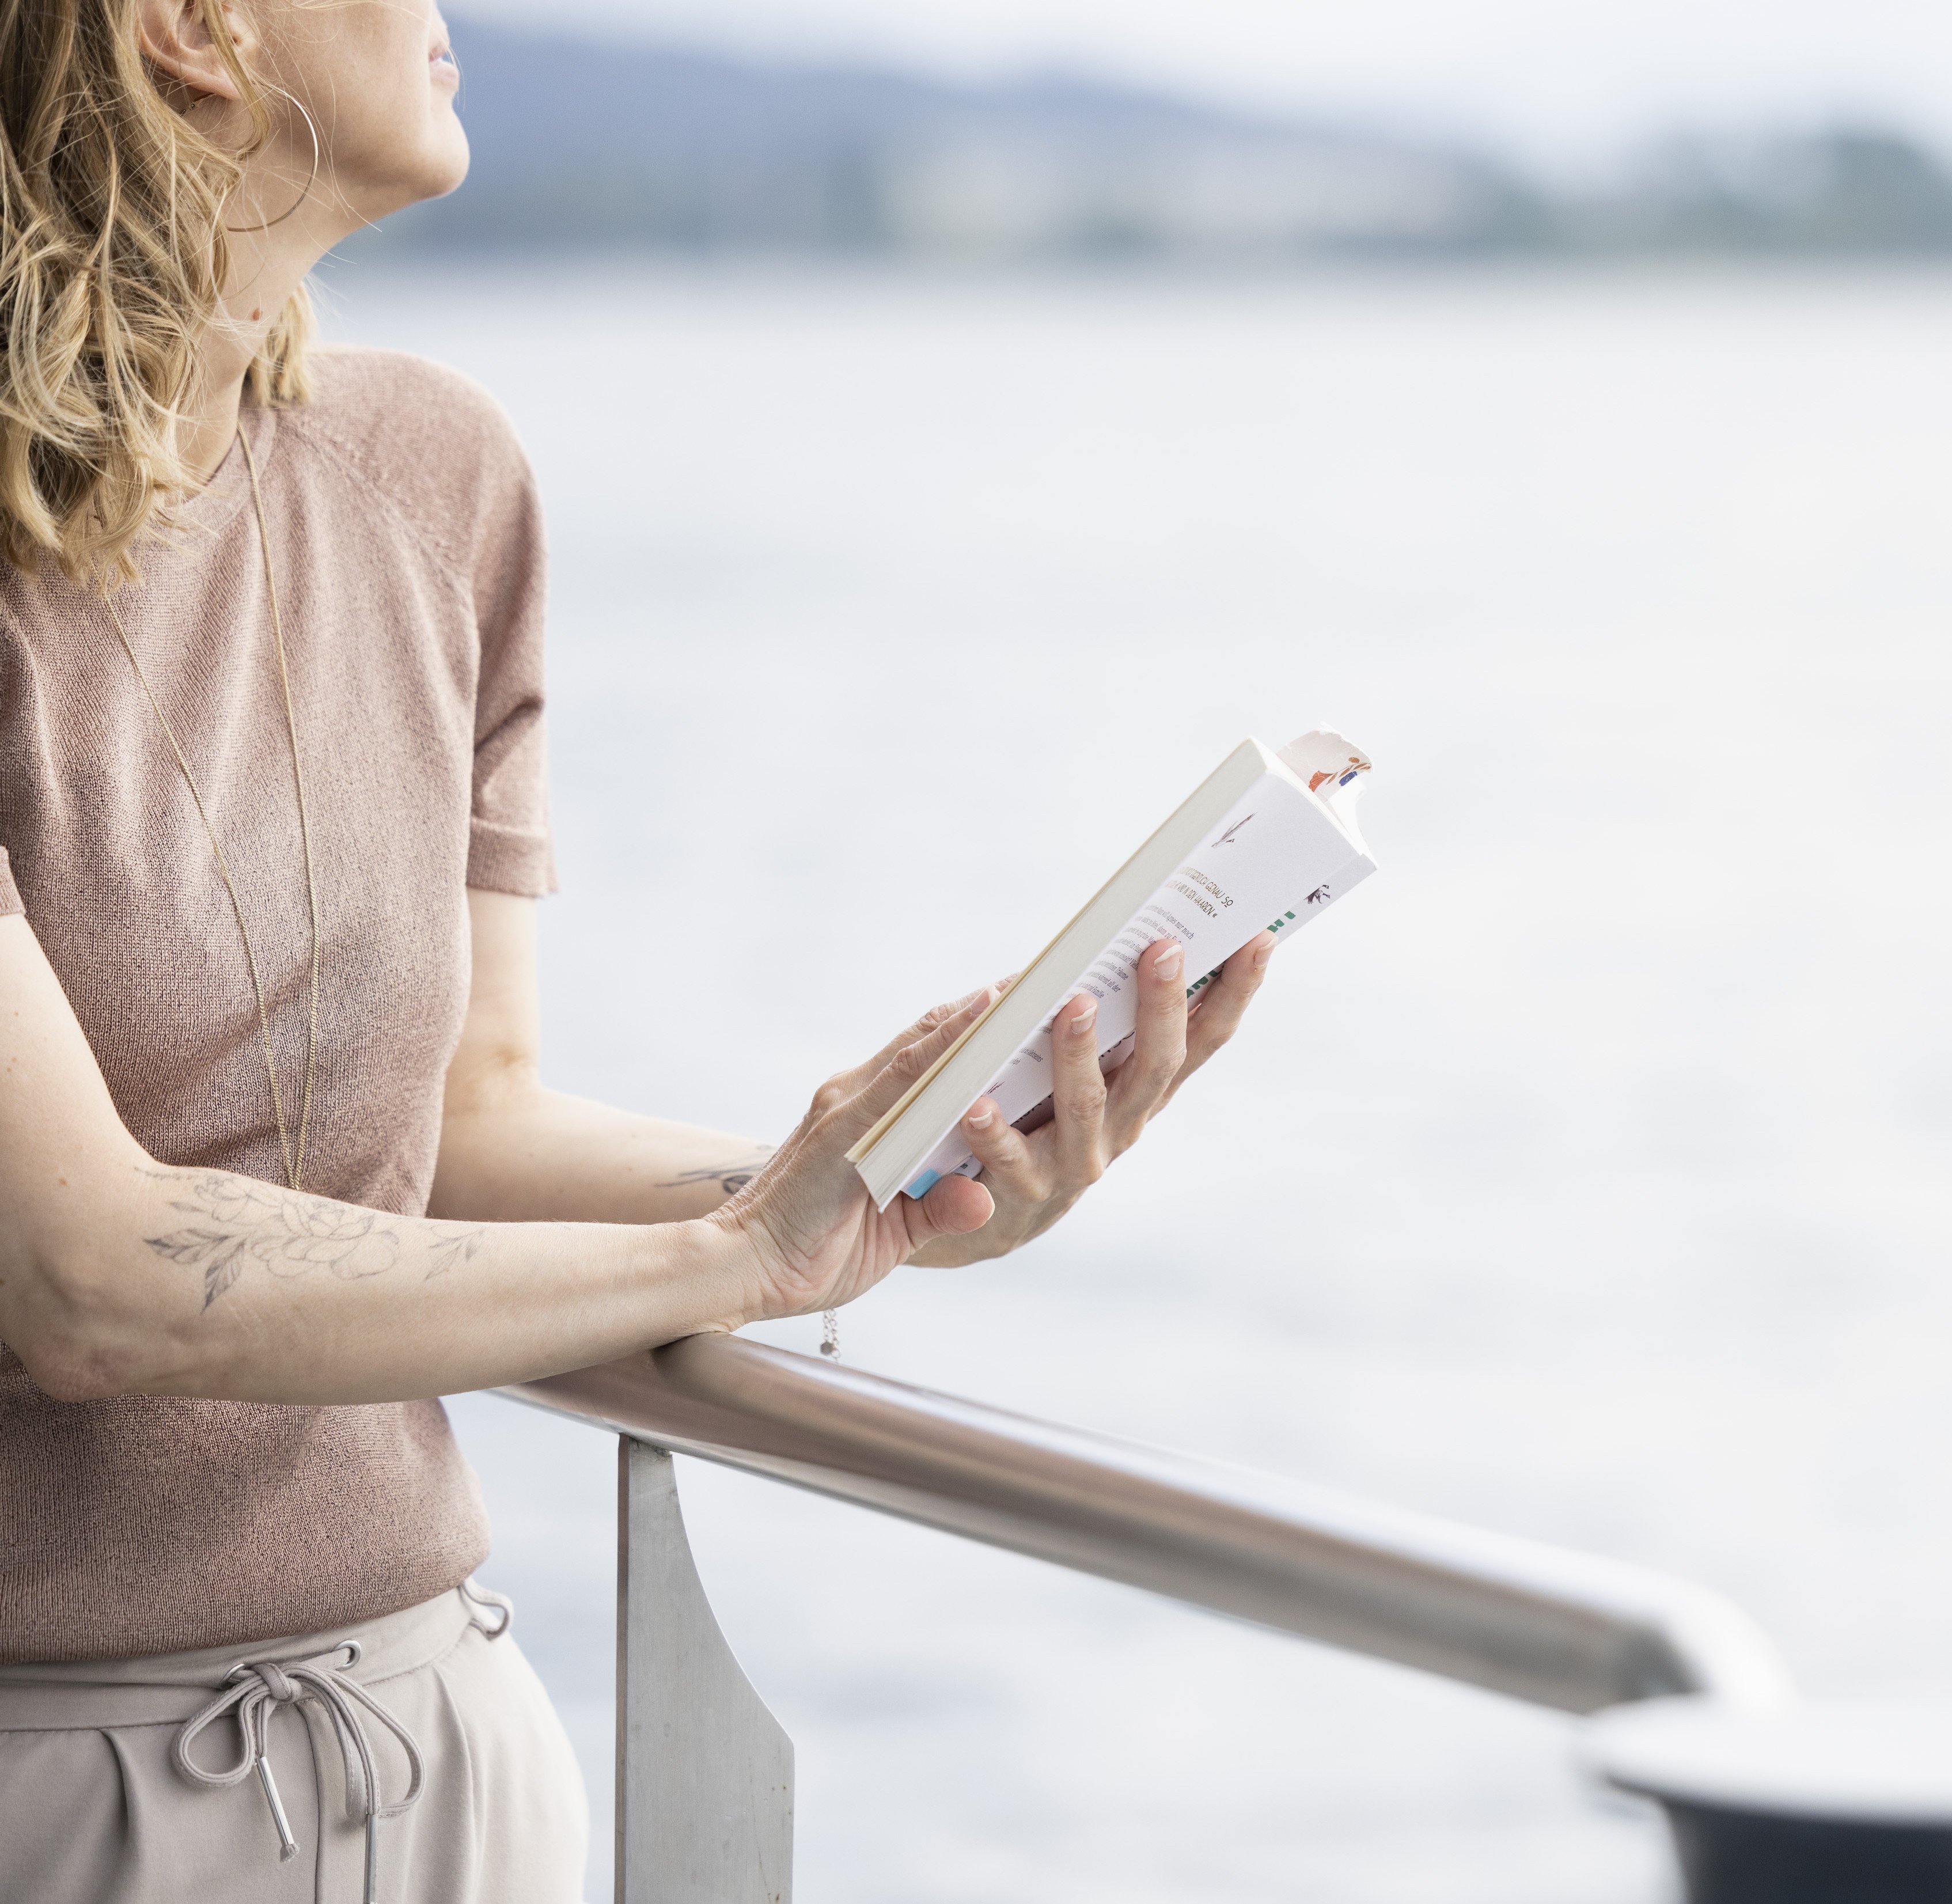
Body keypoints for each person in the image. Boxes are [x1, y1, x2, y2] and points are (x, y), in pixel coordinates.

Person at [0, 2, 1272, 1898]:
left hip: (434, 1749)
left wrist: (874, 1183)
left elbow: (458, 1127)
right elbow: (82, 1272)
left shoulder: (439, 478)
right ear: (190, 30)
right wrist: (730, 1255)